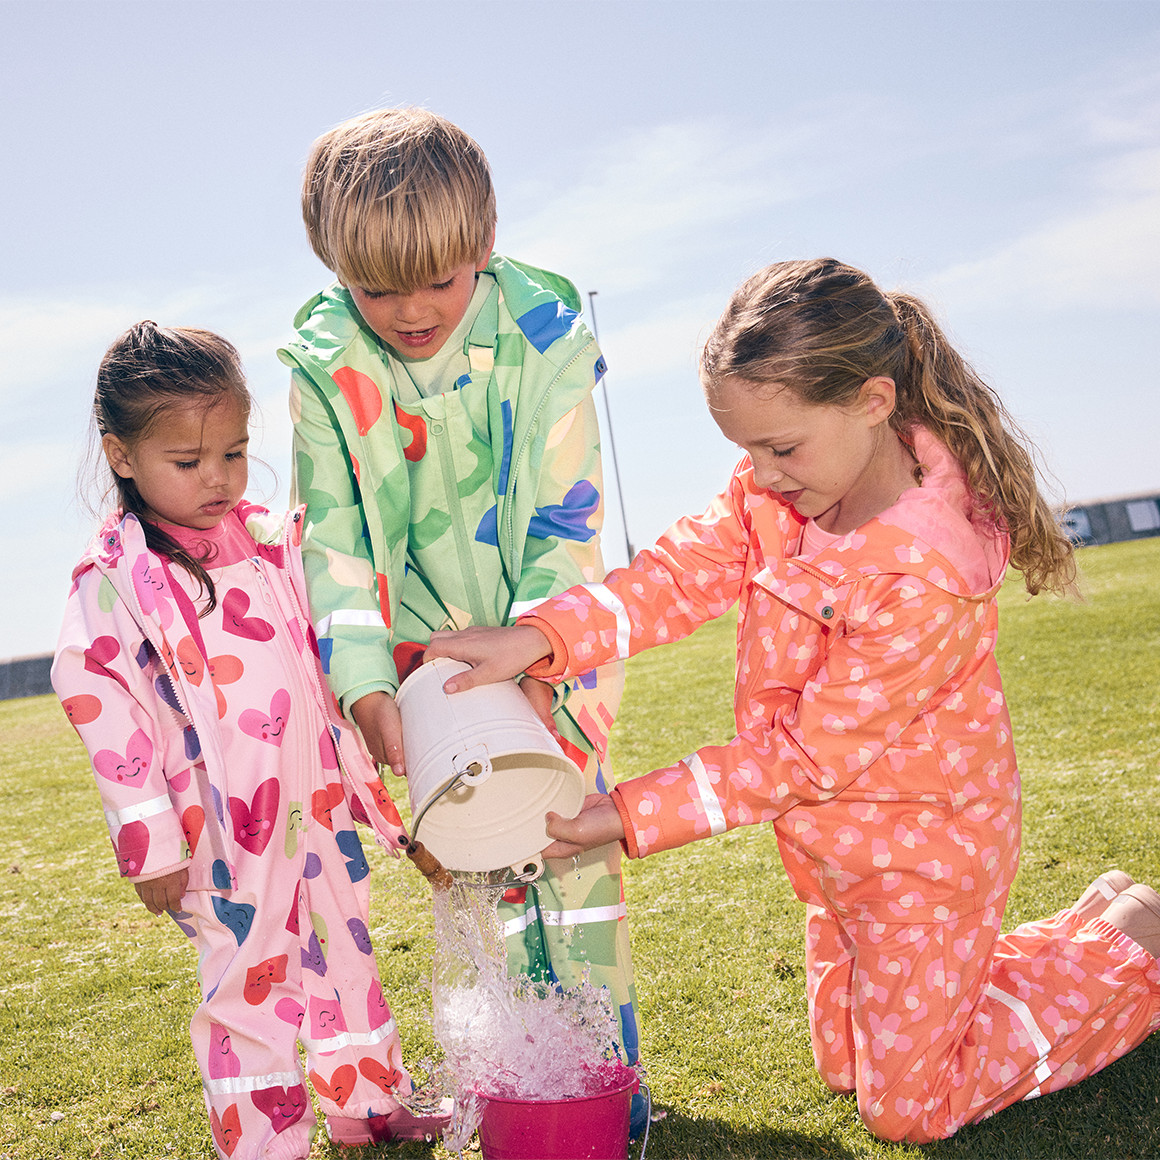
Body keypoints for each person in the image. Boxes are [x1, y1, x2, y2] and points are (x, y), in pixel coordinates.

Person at [425, 258, 1160, 1144]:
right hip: (832, 853)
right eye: (746, 452)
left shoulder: (924, 574)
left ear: (874, 401)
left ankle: (1130, 956)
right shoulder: (780, 494)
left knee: (907, 1109)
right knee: (842, 1065)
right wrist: (541, 637)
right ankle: (1075, 931)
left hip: (924, 859)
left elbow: (803, 757)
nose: (761, 474)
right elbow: (681, 572)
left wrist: (621, 815)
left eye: (781, 448)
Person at [277, 107, 641, 1083]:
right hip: (420, 667)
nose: (409, 310)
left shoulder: (542, 330)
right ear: (333, 268)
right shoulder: (324, 366)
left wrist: (537, 641)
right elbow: (338, 536)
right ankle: (521, 1071)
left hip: (548, 639)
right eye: (375, 288)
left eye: (438, 279)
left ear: (483, 243)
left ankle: (603, 1073)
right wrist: (362, 681)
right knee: (474, 856)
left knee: (567, 847)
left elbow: (567, 514)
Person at [52, 323, 449, 1160]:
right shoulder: (116, 579)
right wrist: (149, 837)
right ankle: (266, 1145)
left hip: (316, 797)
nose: (218, 479)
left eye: (232, 453)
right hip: (219, 833)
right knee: (250, 983)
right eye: (188, 462)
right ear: (122, 456)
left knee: (347, 945)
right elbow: (100, 703)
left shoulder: (271, 540)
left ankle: (369, 1104)